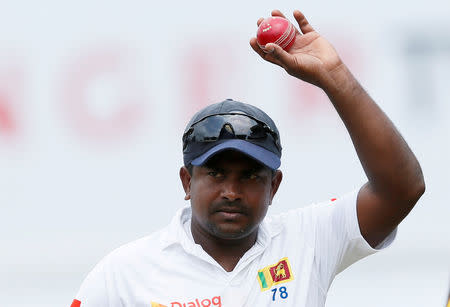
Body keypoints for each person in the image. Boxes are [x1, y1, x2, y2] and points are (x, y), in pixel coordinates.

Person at [70, 9, 425, 307]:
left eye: (251, 176)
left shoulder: (307, 239)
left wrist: (335, 77)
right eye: (217, 173)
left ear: (275, 185)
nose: (231, 191)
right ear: (187, 181)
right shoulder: (125, 273)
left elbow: (402, 189)